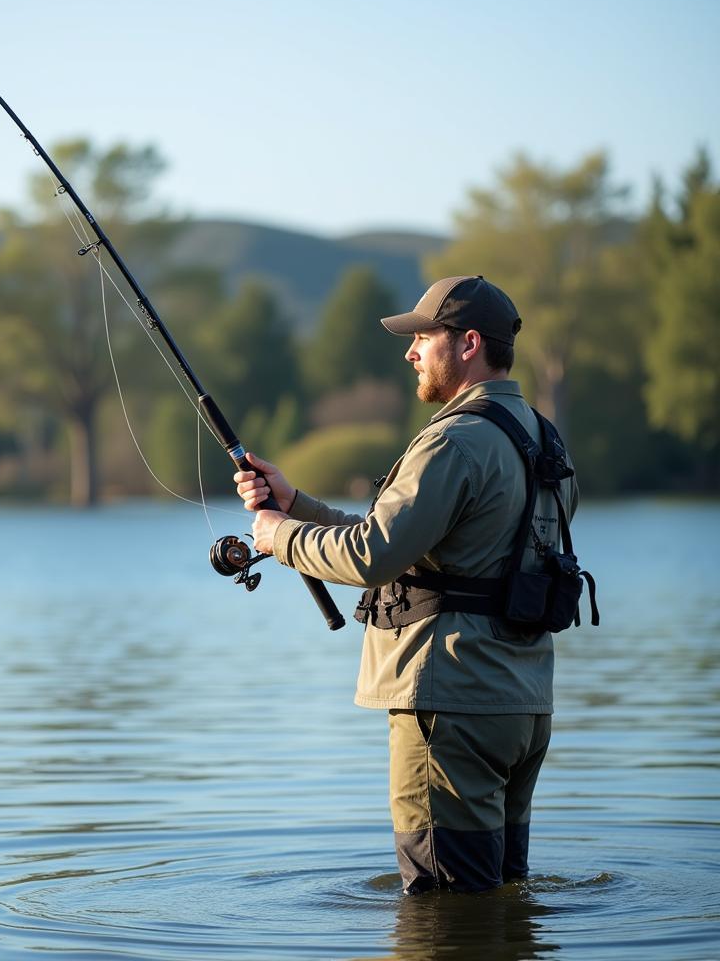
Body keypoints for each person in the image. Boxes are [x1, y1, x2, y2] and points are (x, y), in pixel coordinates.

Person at [233, 274, 579, 894]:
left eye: (423, 337)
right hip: (521, 707)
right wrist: (298, 506)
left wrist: (275, 537)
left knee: (443, 907)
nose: (410, 352)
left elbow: (372, 556)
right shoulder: (541, 440)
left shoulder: (453, 442)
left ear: (468, 343)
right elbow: (431, 550)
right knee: (498, 896)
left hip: (450, 706)